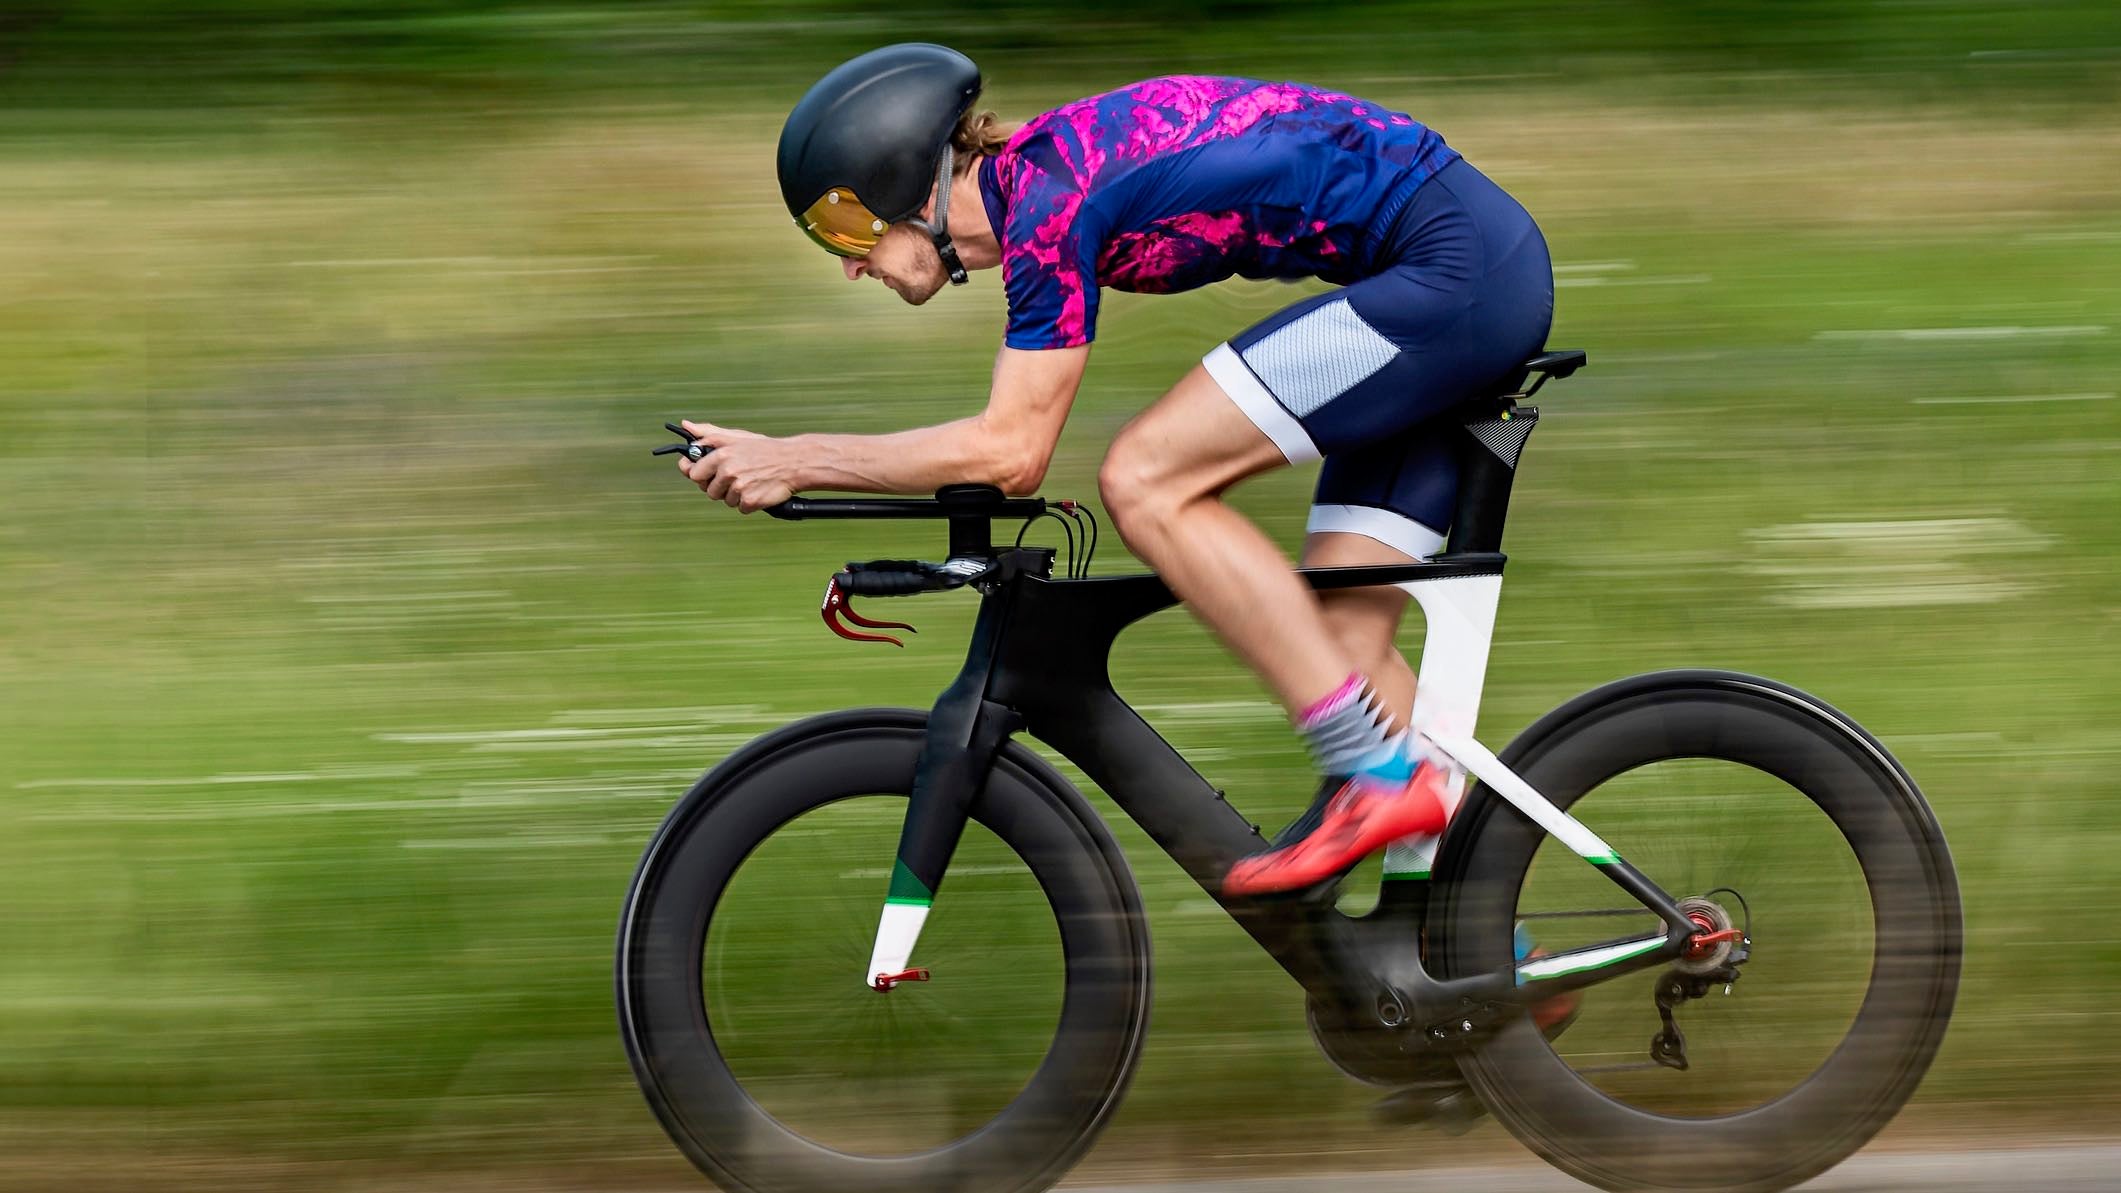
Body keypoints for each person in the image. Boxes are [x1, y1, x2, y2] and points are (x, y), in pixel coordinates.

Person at [678, 43, 1555, 897]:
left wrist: (796, 457)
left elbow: (1010, 454)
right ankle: (1472, 964)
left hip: (1455, 275)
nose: (845, 264)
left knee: (1144, 477)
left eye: (842, 226)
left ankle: (1370, 774)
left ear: (905, 184)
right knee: (1337, 643)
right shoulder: (1037, 193)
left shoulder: (1048, 201)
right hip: (1457, 273)